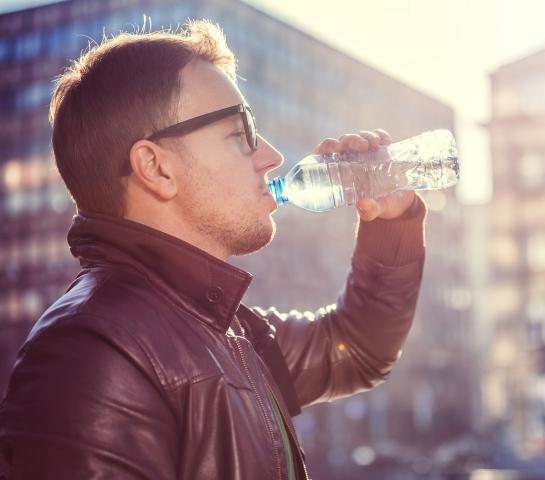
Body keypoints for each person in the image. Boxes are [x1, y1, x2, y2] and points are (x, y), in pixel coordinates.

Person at [0, 20, 426, 479]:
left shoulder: (224, 328)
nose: (272, 156)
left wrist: (388, 222)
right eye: (240, 132)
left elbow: (357, 351)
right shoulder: (89, 354)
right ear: (156, 167)